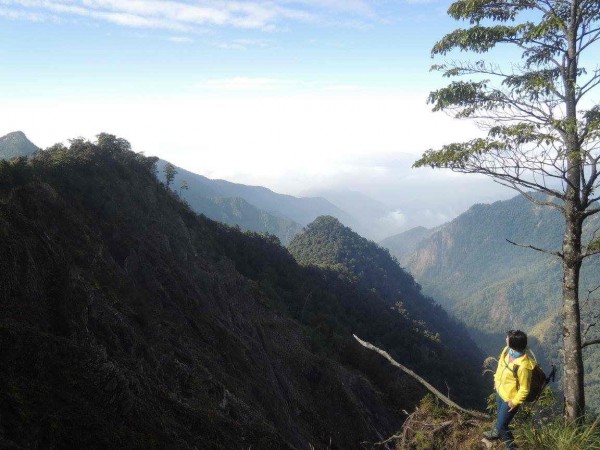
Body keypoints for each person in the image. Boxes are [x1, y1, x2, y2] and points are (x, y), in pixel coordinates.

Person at [483, 329, 534, 449]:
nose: (506, 338)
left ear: (514, 343)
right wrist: (496, 380)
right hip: (500, 392)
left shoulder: (523, 366)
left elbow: (524, 389)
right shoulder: (507, 351)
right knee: (500, 418)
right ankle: (495, 433)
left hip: (510, 399)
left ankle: (511, 447)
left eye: (508, 338)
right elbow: (501, 365)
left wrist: (514, 402)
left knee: (503, 425)